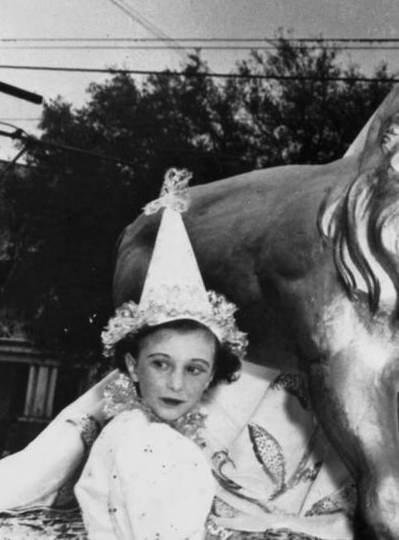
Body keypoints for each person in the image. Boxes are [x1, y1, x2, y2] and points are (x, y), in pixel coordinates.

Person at [74, 170, 248, 540]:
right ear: (132, 365)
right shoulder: (149, 442)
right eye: (160, 363)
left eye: (195, 369)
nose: (176, 383)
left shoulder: (138, 429)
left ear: (213, 375)